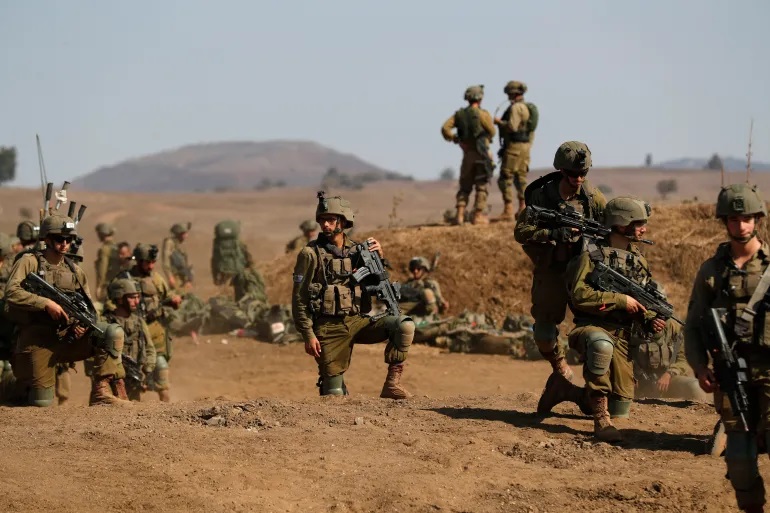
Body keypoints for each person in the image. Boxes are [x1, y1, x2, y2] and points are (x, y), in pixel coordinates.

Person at [539, 196, 665, 442]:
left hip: (623, 337)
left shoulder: (638, 260)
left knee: (621, 410)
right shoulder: (592, 254)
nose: (644, 228)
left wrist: (650, 318)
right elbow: (578, 295)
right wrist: (620, 301)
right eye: (638, 222)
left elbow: (643, 298)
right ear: (621, 223)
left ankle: (564, 390)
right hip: (591, 328)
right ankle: (600, 422)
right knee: (601, 346)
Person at [684, 183, 770, 512]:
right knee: (740, 460)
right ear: (725, 222)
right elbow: (692, 325)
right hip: (731, 376)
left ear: (757, 219)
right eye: (734, 219)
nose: (741, 226)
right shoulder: (711, 271)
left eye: (746, 218)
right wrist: (700, 367)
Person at [292, 193, 415, 398]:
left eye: (331, 220)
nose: (326, 225)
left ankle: (392, 385)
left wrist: (379, 259)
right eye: (322, 220)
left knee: (404, 325)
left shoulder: (359, 251)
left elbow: (378, 284)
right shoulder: (310, 254)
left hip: (357, 320)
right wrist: (308, 334)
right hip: (328, 327)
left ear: (343, 221)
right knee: (334, 395)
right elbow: (299, 298)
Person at [4, 213, 125, 406]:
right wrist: (45, 303)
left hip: (68, 339)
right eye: (60, 239)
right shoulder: (30, 261)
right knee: (40, 403)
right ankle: (9, 385)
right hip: (38, 340)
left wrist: (83, 325)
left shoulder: (75, 271)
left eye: (69, 239)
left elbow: (91, 311)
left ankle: (101, 392)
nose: (65, 243)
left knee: (110, 332)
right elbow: (11, 292)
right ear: (47, 239)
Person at [514, 141, 606, 381]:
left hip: (584, 272)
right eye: (573, 174)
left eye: (583, 174)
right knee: (544, 333)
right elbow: (521, 232)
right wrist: (552, 234)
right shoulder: (542, 196)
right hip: (552, 269)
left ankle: (598, 382)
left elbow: (608, 234)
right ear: (562, 171)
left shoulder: (593, 198)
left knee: (600, 331)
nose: (578, 179)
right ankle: (559, 365)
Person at [128, 243, 181, 402]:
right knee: (133, 374)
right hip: (133, 334)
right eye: (147, 262)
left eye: (153, 262)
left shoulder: (157, 279)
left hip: (155, 332)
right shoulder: (125, 279)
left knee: (162, 368)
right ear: (138, 261)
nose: (151, 265)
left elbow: (167, 294)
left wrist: (174, 300)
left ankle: (166, 409)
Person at [441, 85, 496, 226]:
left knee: (465, 187)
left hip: (467, 155)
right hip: (481, 155)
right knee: (481, 186)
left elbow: (445, 128)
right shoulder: (483, 114)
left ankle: (459, 215)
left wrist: (456, 139)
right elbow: (492, 131)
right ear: (480, 98)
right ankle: (477, 216)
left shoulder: (459, 115)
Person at [102, 278, 157, 401]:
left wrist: (147, 372)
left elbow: (150, 349)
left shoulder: (139, 322)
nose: (136, 301)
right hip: (111, 381)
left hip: (133, 382)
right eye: (132, 297)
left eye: (138, 297)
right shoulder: (106, 322)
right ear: (119, 298)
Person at [632, 318, 708, 403]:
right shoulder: (633, 326)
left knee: (696, 386)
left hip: (667, 381)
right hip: (638, 382)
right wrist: (631, 376)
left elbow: (684, 358)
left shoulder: (673, 327)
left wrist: (669, 374)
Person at [495, 81, 537, 220]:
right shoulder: (526, 107)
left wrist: (499, 122)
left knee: (505, 177)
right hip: (525, 147)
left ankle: (508, 210)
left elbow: (512, 127)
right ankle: (523, 208)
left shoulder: (516, 108)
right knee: (521, 177)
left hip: (514, 147)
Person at [211, 219, 255, 286]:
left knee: (225, 291)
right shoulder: (239, 244)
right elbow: (248, 258)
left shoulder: (217, 245)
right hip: (238, 272)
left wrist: (215, 279)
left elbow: (214, 262)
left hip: (223, 272)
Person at [162, 222, 193, 292]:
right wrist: (170, 276)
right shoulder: (169, 243)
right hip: (175, 276)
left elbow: (186, 263)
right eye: (184, 233)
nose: (186, 235)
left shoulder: (181, 244)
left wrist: (188, 279)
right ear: (179, 233)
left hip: (184, 277)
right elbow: (165, 261)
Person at [94, 222, 120, 301]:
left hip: (108, 286)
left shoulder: (104, 249)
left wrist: (99, 287)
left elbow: (102, 270)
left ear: (102, 234)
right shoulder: (117, 248)